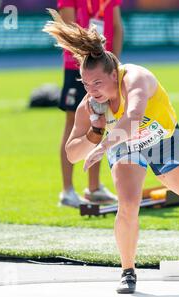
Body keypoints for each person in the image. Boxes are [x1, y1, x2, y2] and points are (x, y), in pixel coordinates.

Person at [43, 9, 179, 294]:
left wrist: (103, 144)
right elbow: (72, 154)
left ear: (114, 74)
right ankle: (127, 271)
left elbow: (134, 117)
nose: (92, 90)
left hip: (163, 140)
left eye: (98, 83)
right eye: (86, 84)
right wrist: (95, 131)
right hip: (125, 145)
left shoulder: (135, 78)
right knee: (127, 205)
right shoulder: (90, 104)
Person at [57, 0, 123, 208]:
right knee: (73, 124)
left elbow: (117, 27)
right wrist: (89, 64)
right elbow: (69, 31)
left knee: (101, 121)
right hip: (77, 68)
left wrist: (113, 64)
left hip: (104, 69)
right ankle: (67, 190)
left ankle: (94, 188)